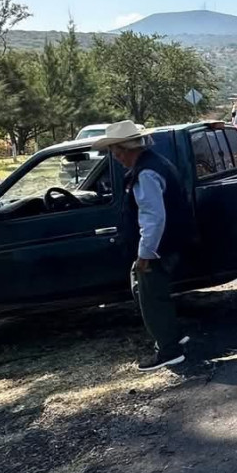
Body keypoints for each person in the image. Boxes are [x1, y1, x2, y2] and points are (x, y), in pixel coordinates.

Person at [94, 120, 195, 371]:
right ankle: (172, 335)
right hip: (171, 241)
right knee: (149, 291)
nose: (115, 157)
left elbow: (153, 217)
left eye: (115, 151)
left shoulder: (146, 172)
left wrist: (144, 254)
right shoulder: (155, 162)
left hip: (160, 245)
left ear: (125, 148)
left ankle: (169, 350)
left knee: (151, 296)